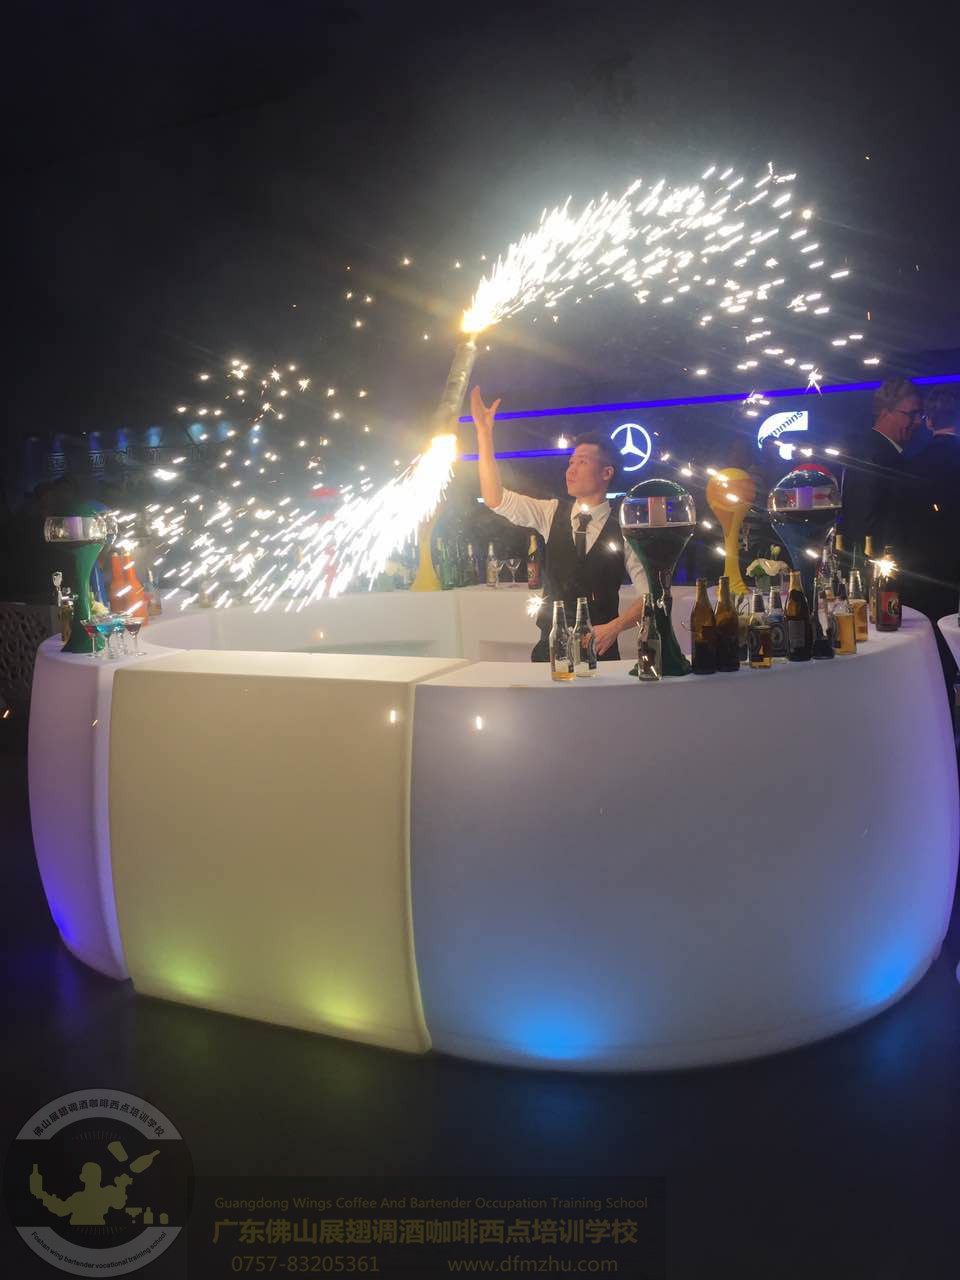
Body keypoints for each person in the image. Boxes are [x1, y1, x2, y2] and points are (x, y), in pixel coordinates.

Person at [471, 387, 649, 660]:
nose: (571, 470)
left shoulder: (624, 528)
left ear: (606, 473)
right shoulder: (550, 513)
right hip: (550, 651)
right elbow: (495, 499)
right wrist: (484, 435)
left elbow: (651, 595)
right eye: (571, 462)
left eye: (582, 462)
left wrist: (615, 627)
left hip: (599, 652)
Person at [840, 376, 928, 572]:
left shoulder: (881, 452)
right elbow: (865, 522)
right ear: (885, 413)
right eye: (911, 414)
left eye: (920, 415)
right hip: (881, 571)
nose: (917, 422)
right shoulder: (875, 455)